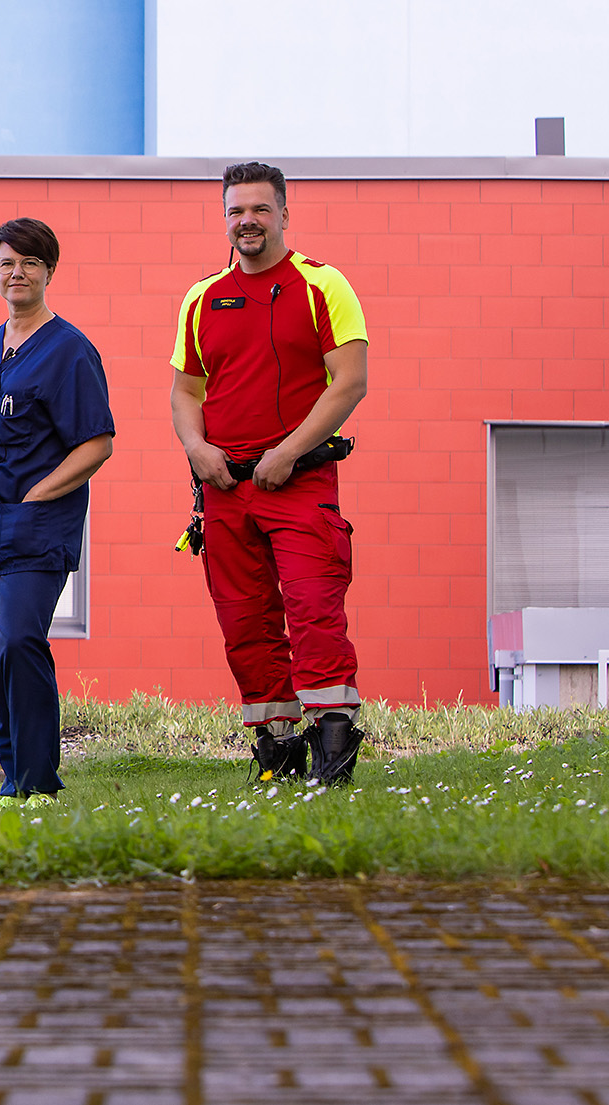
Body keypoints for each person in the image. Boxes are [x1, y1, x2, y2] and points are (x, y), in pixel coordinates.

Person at [170, 162, 371, 784]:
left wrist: (286, 452)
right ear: (224, 217)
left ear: (284, 213)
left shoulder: (323, 285)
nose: (247, 221)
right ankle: (275, 751)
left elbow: (351, 383)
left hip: (300, 480)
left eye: (259, 209)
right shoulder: (202, 298)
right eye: (236, 211)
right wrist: (197, 449)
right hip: (225, 488)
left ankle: (333, 749)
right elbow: (184, 392)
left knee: (314, 608)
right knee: (244, 620)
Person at [0, 219, 114, 808]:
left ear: (49, 273)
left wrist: (39, 496)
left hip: (34, 527)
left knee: (19, 641)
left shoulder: (69, 350)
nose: (16, 273)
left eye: (30, 263)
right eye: (7, 262)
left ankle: (39, 780)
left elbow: (96, 444)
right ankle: (13, 779)